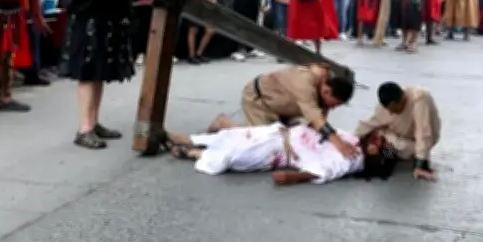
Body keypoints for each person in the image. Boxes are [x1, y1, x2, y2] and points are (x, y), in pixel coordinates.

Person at [60, 0, 138, 149]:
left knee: (99, 72)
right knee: (87, 72)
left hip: (106, 18)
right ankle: (84, 128)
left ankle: (93, 123)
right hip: (88, 18)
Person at [163, 122, 398, 184]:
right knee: (231, 137)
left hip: (282, 150)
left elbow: (324, 171)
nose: (377, 140)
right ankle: (184, 140)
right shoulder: (356, 141)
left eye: (379, 144)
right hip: (284, 132)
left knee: (236, 156)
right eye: (380, 140)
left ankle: (193, 153)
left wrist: (293, 178)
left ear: (374, 155)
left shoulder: (350, 162)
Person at [209, 64, 359, 159]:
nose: (332, 108)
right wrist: (339, 144)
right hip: (260, 100)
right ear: (326, 92)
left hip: (285, 108)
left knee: (294, 139)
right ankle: (224, 123)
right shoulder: (305, 81)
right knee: (263, 142)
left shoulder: (329, 83)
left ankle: (278, 125)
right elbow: (316, 118)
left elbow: (318, 124)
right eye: (334, 105)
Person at [354, 81, 441, 181]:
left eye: (393, 109)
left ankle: (387, 153)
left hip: (416, 142)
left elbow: (423, 132)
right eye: (388, 109)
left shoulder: (420, 98)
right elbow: (368, 124)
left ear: (403, 98)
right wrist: (352, 140)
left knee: (390, 144)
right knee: (375, 134)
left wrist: (421, 164)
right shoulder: (387, 106)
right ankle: (385, 153)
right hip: (397, 137)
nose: (391, 113)